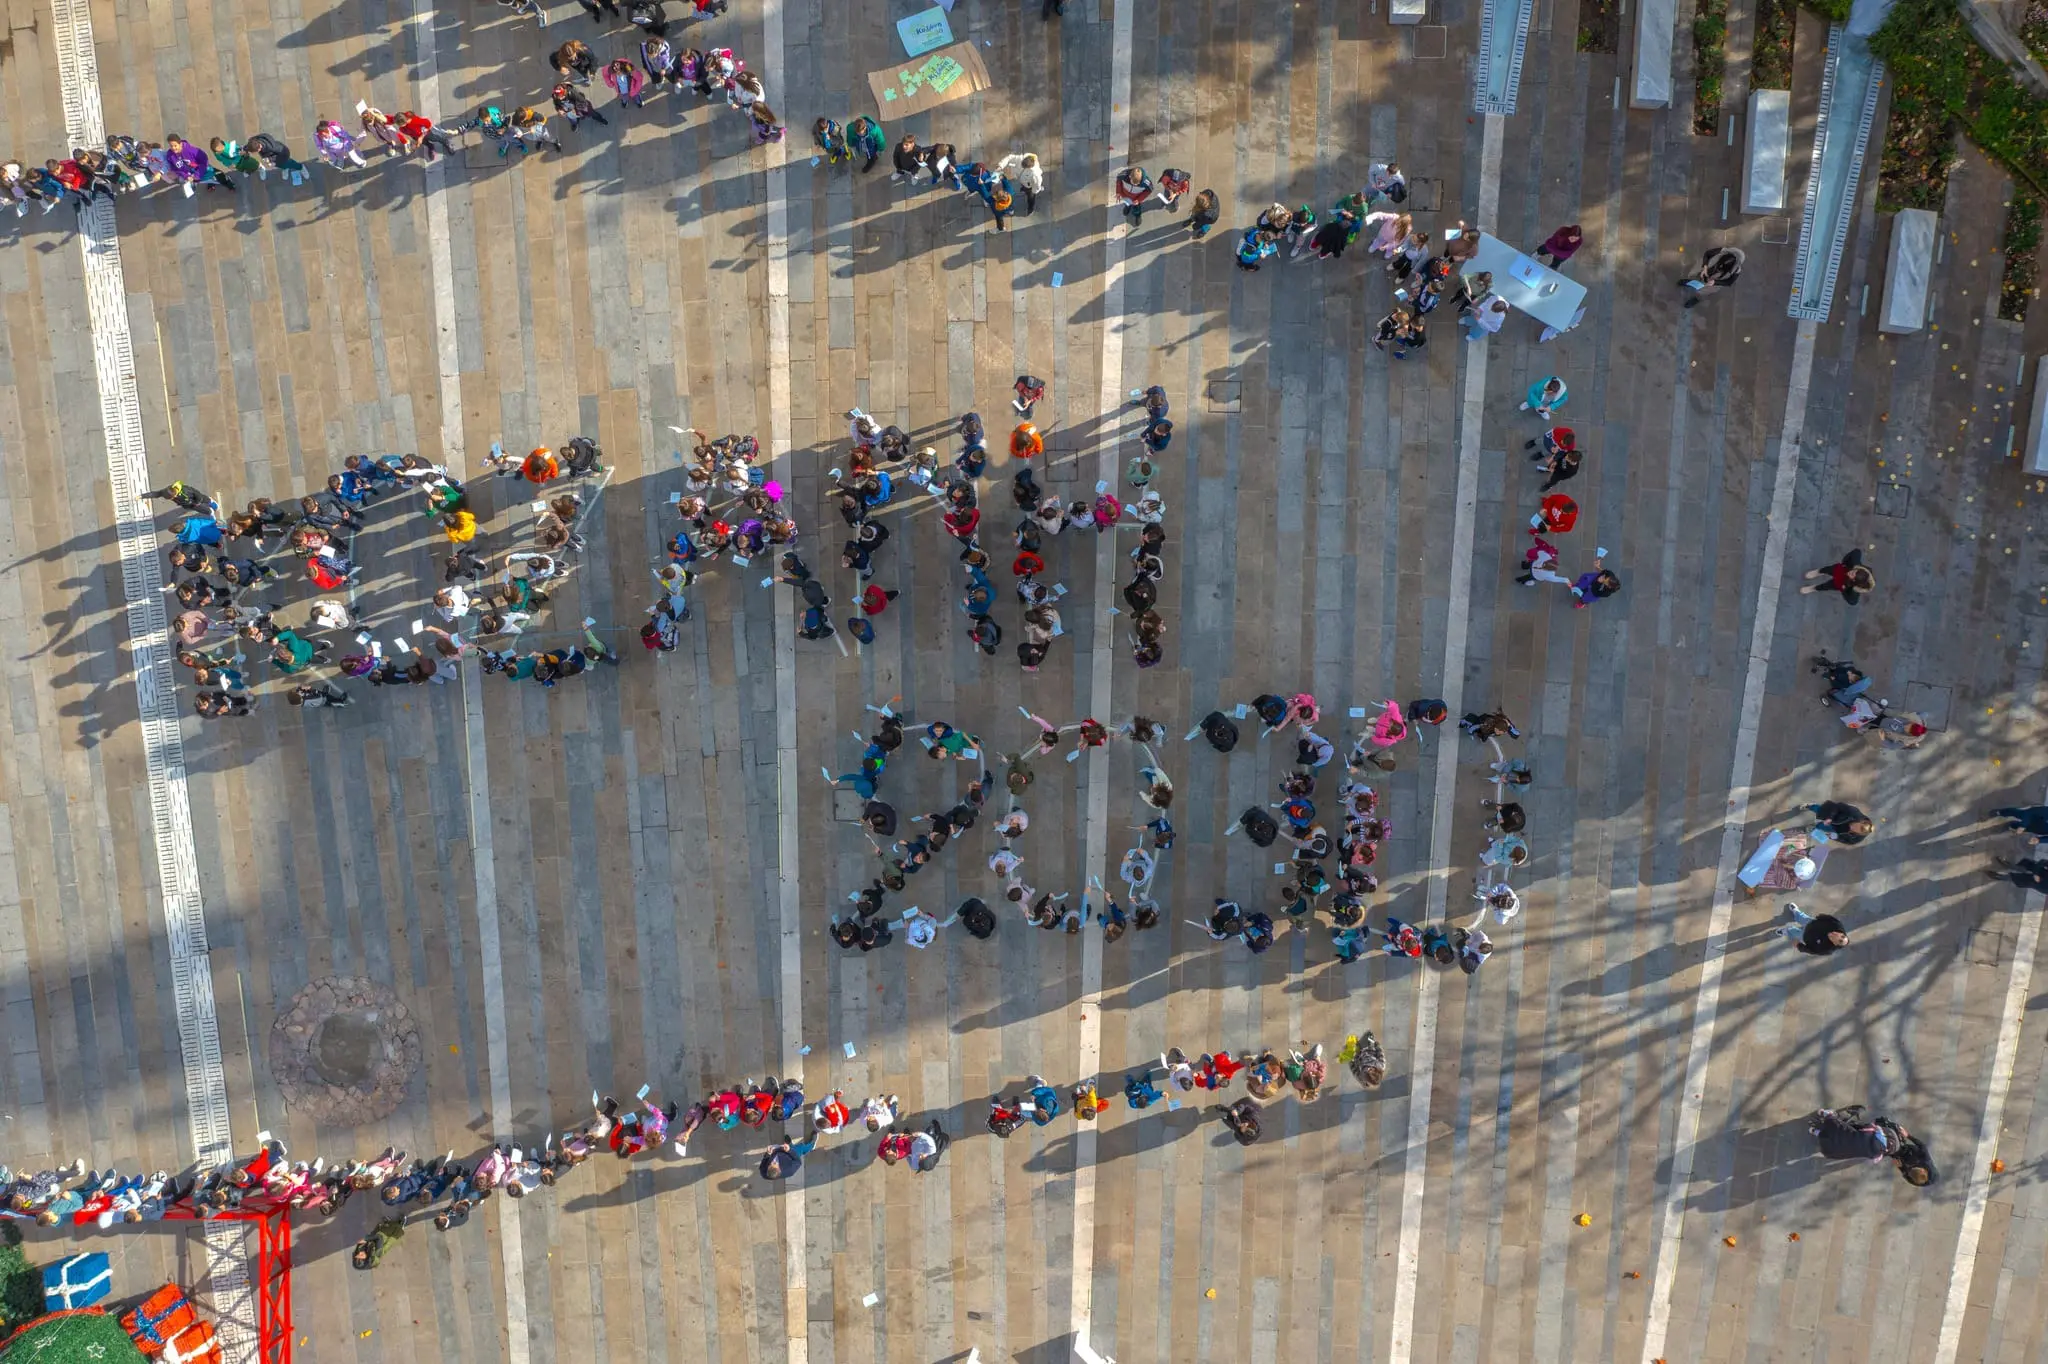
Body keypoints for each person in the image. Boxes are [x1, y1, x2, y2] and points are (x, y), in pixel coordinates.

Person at [1799, 549, 1875, 603]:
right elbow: (1857, 551)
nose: (1851, 572)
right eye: (1854, 571)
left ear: (1854, 581)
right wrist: (1845, 562)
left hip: (1839, 583)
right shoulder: (1854, 565)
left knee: (1825, 586)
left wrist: (1845, 591)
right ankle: (1818, 572)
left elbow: (1853, 601)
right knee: (1826, 569)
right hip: (1839, 570)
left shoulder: (1853, 589)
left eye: (1852, 575)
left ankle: (1813, 588)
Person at [1680, 245, 1744, 305]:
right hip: (1710, 265)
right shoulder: (1722, 251)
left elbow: (1729, 282)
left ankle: (1696, 298)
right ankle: (1688, 282)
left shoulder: (1736, 270)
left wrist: (1715, 282)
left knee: (1705, 290)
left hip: (1718, 278)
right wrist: (1705, 268)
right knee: (1696, 274)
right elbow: (1707, 254)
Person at [1781, 903, 1847, 954]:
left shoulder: (1826, 949)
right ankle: (1796, 912)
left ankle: (1787, 931)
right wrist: (1819, 917)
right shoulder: (1838, 925)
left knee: (1793, 932)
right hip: (1812, 923)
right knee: (1802, 918)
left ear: (1835, 943)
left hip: (1805, 936)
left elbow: (1812, 950)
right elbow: (1829, 918)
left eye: (1840, 940)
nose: (1838, 936)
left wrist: (1799, 946)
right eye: (1842, 936)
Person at [1807, 801, 1874, 845]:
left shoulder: (1857, 838)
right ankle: (1810, 806)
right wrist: (1830, 817)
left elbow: (1847, 841)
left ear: (1859, 833)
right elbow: (1838, 806)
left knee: (1822, 827)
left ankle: (1816, 826)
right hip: (1834, 816)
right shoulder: (1853, 812)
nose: (1852, 827)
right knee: (1819, 810)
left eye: (1854, 830)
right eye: (1855, 825)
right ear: (1861, 822)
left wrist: (1835, 837)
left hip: (1836, 829)